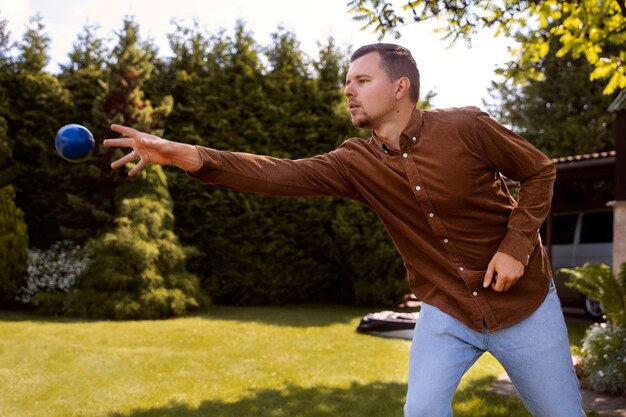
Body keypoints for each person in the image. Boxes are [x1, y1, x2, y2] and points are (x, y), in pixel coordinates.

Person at [104, 43, 586, 417]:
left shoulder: (466, 127)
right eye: (346, 81)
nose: (347, 89)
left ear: (400, 87)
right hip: (448, 309)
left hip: (523, 304)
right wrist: (185, 153)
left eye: (361, 79)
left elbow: (539, 171)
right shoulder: (354, 162)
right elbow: (278, 173)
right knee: (421, 410)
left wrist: (515, 246)